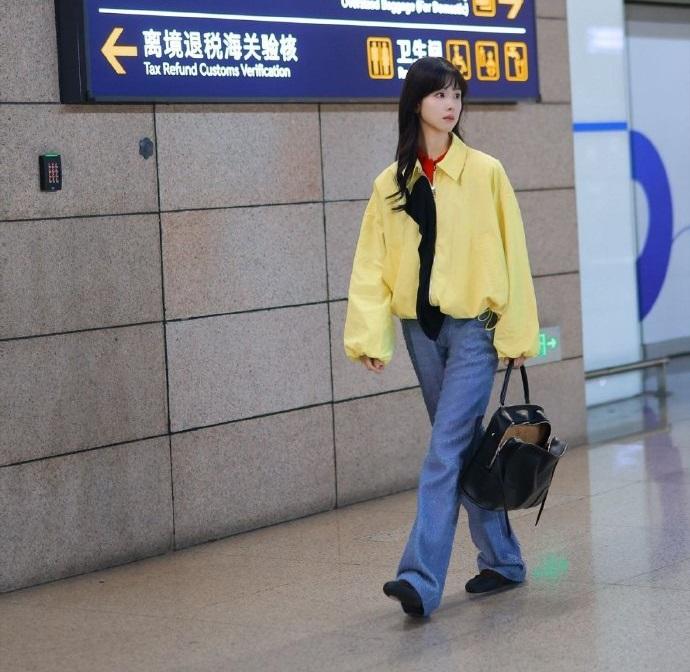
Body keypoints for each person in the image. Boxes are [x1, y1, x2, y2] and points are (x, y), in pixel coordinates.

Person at [343, 56, 539, 617]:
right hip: (420, 331)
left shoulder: (485, 172)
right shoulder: (391, 183)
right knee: (464, 447)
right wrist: (370, 336)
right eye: (439, 95)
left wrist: (516, 333)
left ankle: (419, 579)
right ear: (416, 104)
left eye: (456, 94)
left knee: (443, 452)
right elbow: (371, 263)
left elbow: (514, 253)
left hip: (475, 329)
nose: (451, 104)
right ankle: (503, 560)